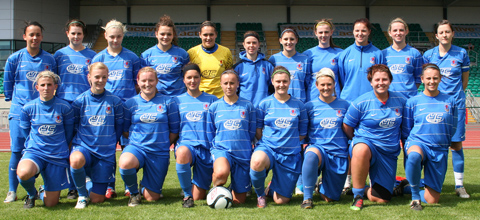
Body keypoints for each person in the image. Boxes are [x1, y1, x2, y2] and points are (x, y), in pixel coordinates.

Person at [3, 21, 57, 203]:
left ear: (42, 37)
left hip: (43, 113)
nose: (34, 38)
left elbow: (54, 83)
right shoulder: (14, 58)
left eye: (38, 35)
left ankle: (42, 188)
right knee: (18, 151)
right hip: (20, 112)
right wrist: (18, 103)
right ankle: (12, 190)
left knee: (42, 150)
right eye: (31, 34)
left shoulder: (49, 59)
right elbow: (8, 86)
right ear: (24, 36)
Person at [343, 64, 406, 211]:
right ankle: (357, 196)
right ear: (371, 82)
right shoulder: (360, 102)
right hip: (367, 143)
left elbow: (405, 127)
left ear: (390, 80)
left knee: (382, 198)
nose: (381, 83)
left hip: (388, 152)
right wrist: (357, 141)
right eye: (377, 79)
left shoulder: (401, 102)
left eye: (384, 79)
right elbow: (347, 126)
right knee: (360, 150)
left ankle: (372, 189)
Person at [92, 19, 141, 197]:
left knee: (128, 147)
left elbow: (138, 84)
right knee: (107, 149)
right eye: (112, 36)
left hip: (127, 110)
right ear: (105, 36)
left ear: (123, 36)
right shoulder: (99, 58)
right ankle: (109, 185)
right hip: (106, 110)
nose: (115, 40)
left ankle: (129, 185)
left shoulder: (132, 57)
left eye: (119, 36)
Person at [423, 20, 470, 198]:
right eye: (441, 32)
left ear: (452, 34)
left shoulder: (462, 53)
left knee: (456, 144)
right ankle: (431, 183)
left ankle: (459, 185)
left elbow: (464, 81)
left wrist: (455, 97)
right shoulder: (428, 55)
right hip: (434, 106)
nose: (444, 35)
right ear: (436, 36)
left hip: (455, 105)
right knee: (433, 144)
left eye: (447, 32)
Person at [120, 67, 180, 207]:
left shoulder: (168, 102)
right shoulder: (130, 104)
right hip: (137, 148)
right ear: (138, 82)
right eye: (144, 80)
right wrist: (139, 141)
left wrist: (163, 144)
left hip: (159, 152)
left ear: (157, 81)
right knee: (125, 162)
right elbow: (125, 130)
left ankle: (144, 187)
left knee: (151, 198)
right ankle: (134, 193)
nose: (147, 84)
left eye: (151, 80)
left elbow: (174, 130)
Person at [250, 66, 308, 208]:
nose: (281, 84)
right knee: (257, 161)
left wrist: (287, 141)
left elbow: (302, 133)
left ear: (289, 82)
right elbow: (258, 129)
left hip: (290, 153)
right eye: (278, 81)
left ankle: (271, 188)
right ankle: (260, 195)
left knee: (281, 201)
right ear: (272, 82)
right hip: (268, 148)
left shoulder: (299, 105)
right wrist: (271, 141)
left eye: (284, 81)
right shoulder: (264, 104)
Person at [402, 64, 458, 211]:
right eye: (428, 78)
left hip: (439, 149)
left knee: (432, 200)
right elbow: (407, 129)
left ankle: (405, 188)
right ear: (422, 79)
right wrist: (409, 147)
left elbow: (452, 127)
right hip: (418, 142)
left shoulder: (450, 101)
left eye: (435, 78)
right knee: (414, 156)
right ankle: (415, 197)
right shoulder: (413, 102)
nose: (431, 81)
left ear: (440, 79)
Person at [69, 62, 125, 209]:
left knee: (97, 200)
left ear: (108, 78)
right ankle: (81, 195)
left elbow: (119, 126)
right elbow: (74, 126)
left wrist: (111, 142)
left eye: (103, 77)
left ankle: (88, 183)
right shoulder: (79, 101)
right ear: (89, 77)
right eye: (96, 77)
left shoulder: (115, 101)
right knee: (75, 160)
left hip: (105, 153)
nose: (100, 80)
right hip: (84, 148)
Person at [16, 71, 73, 208]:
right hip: (36, 152)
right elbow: (26, 132)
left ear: (55, 87)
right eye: (42, 85)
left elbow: (68, 133)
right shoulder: (28, 108)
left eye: (49, 84)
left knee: (51, 204)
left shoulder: (65, 107)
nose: (46, 88)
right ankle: (31, 194)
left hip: (57, 155)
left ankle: (42, 191)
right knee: (23, 173)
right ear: (37, 87)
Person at [54, 18, 97, 200]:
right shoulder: (59, 55)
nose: (76, 36)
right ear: (67, 34)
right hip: (64, 104)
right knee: (66, 144)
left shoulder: (92, 55)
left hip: (85, 105)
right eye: (73, 33)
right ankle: (69, 185)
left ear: (83, 35)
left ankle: (82, 182)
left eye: (79, 33)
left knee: (85, 144)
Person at [300, 68, 349, 209]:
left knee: (330, 199)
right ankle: (307, 198)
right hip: (318, 148)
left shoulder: (345, 105)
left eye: (329, 84)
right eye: (322, 85)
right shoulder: (309, 107)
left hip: (338, 152)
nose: (325, 88)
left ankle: (322, 186)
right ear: (317, 85)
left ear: (334, 84)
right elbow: (304, 131)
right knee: (310, 155)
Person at [206, 69, 256, 204]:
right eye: (226, 83)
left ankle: (234, 188)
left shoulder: (248, 106)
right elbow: (210, 132)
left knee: (239, 201)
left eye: (232, 83)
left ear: (238, 84)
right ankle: (215, 191)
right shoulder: (214, 107)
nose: (229, 86)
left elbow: (251, 132)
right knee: (221, 172)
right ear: (221, 84)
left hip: (242, 153)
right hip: (222, 150)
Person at [174, 63, 218, 208]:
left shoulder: (212, 100)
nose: (192, 81)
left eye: (195, 77)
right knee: (182, 152)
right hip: (187, 146)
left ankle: (193, 187)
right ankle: (187, 195)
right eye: (189, 78)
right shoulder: (177, 101)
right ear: (184, 80)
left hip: (206, 149)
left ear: (200, 79)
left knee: (199, 196)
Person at [337, 18, 386, 103]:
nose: (360, 34)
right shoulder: (345, 54)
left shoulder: (378, 54)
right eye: (357, 31)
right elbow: (342, 79)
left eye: (363, 31)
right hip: (348, 101)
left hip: (371, 101)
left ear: (369, 32)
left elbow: (382, 78)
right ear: (353, 32)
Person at [141, 15, 189, 96]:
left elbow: (187, 77)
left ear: (173, 34)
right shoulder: (146, 55)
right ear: (156, 34)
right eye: (162, 34)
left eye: (169, 34)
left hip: (178, 97)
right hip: (157, 98)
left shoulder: (182, 54)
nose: (165, 37)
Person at [188, 21, 233, 98]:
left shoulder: (226, 52)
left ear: (216, 35)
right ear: (200, 35)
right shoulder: (191, 52)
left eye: (211, 34)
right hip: (200, 97)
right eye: (205, 35)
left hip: (220, 97)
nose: (208, 38)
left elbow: (230, 74)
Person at [303, 19, 343, 101]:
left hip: (334, 97)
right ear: (316, 33)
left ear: (331, 32)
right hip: (313, 97)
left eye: (326, 32)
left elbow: (343, 79)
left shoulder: (340, 53)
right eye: (320, 32)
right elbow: (305, 80)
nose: (323, 35)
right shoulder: (308, 54)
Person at [382, 18, 423, 99]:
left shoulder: (415, 53)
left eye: (401, 30)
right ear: (390, 33)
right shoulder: (383, 54)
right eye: (395, 30)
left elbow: (418, 79)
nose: (398, 33)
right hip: (390, 99)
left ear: (406, 31)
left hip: (409, 99)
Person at [269, 27, 310, 103]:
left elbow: (308, 84)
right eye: (285, 39)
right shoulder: (274, 59)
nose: (289, 42)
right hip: (280, 103)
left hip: (300, 102)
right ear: (280, 40)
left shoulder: (305, 59)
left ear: (296, 40)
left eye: (292, 39)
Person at [233, 31, 274, 107]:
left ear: (259, 44)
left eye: (254, 43)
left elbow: (273, 87)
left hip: (264, 107)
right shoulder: (237, 67)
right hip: (244, 107)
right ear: (244, 45)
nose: (251, 45)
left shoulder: (268, 65)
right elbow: (235, 90)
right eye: (248, 43)